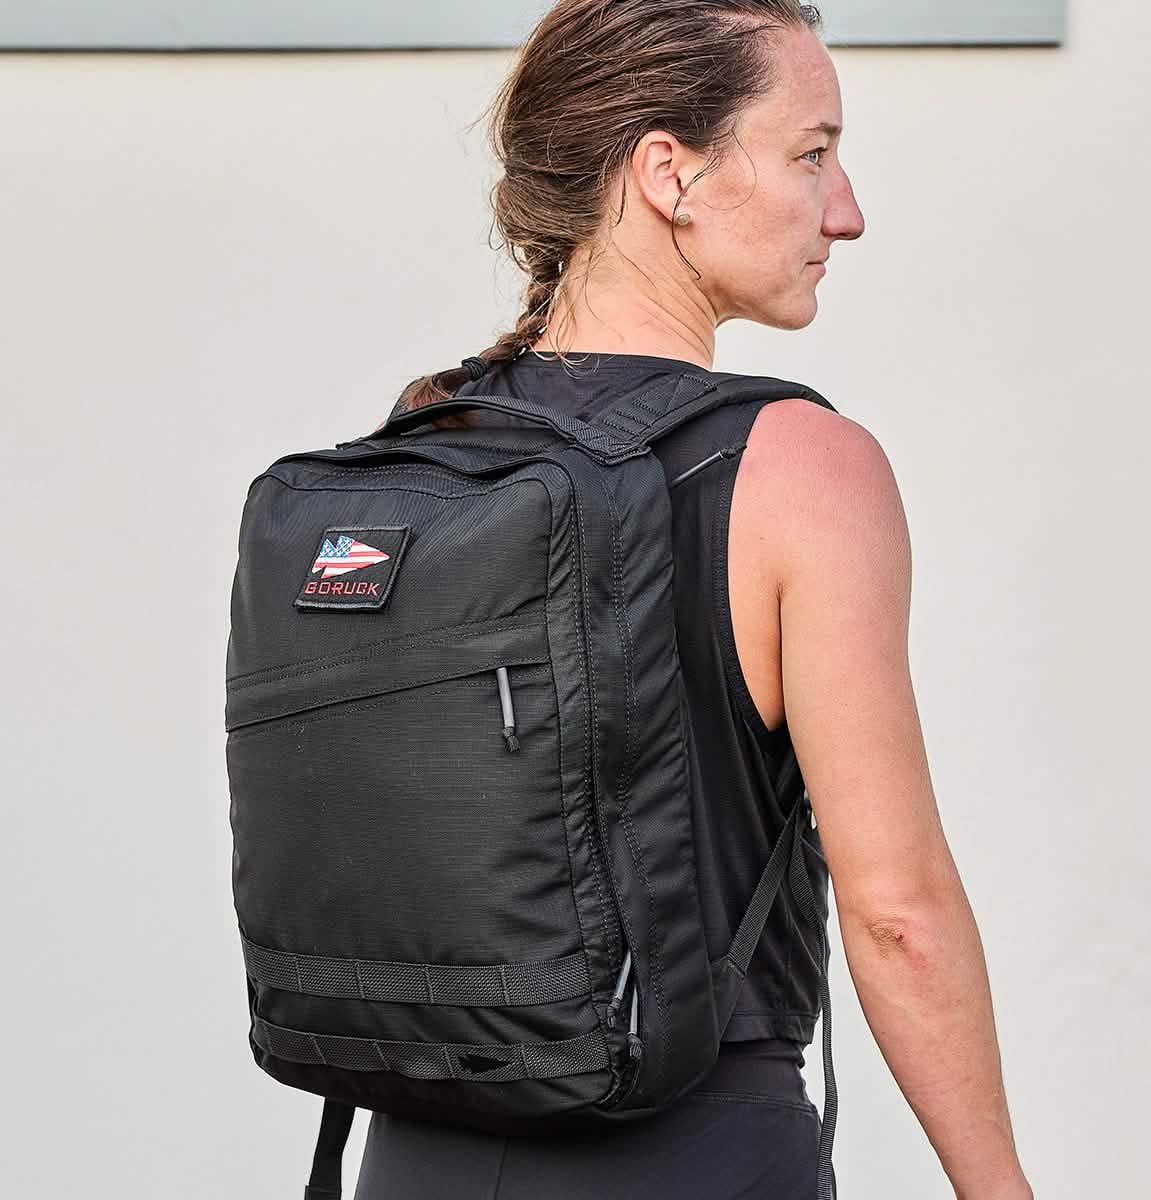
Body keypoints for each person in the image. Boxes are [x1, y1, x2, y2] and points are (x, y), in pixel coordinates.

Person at [356, 2, 1032, 1197]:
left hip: (418, 1152)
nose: (846, 211)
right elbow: (897, 913)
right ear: (669, 171)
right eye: (811, 153)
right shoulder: (800, 467)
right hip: (692, 1149)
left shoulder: (424, 444)